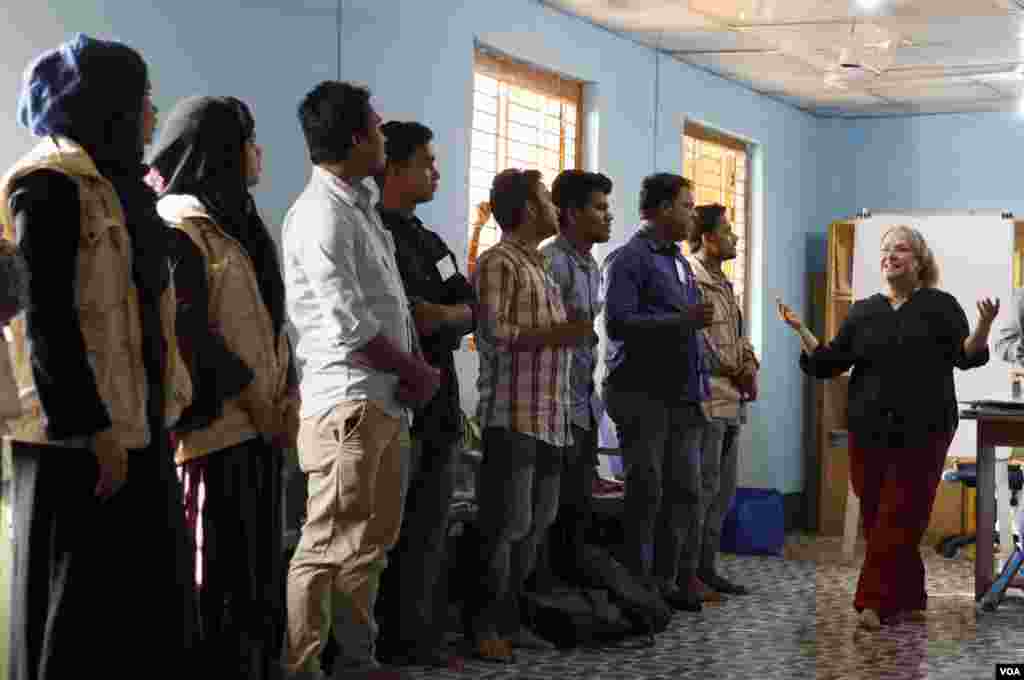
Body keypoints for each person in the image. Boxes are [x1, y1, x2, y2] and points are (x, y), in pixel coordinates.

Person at [0, 33, 198, 678]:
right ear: (104, 103)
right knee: (75, 614)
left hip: (137, 427)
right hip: (76, 440)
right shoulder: (48, 185)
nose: (151, 113)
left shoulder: (122, 187)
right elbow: (46, 322)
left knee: (143, 611)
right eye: (142, 98)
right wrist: (92, 431)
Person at [281, 81, 440, 680]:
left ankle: (355, 662)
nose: (383, 138)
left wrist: (408, 375)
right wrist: (416, 371)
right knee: (323, 546)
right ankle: (302, 668)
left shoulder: (359, 208)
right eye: (376, 130)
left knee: (368, 547)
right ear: (353, 139)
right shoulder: (320, 214)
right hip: (346, 406)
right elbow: (352, 325)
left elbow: (386, 309)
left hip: (382, 404)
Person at [147, 95, 299, 679]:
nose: (259, 152)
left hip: (262, 429)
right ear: (220, 154)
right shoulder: (180, 227)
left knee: (259, 585)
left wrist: (286, 396)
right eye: (248, 140)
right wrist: (256, 399)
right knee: (217, 588)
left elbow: (267, 322)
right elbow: (190, 338)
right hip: (214, 435)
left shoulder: (240, 224)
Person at [778, 224, 997, 629]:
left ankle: (872, 603)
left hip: (926, 429)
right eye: (885, 250)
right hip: (869, 429)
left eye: (901, 250)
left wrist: (984, 325)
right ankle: (911, 596)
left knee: (900, 513)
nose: (890, 256)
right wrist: (801, 330)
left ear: (919, 261)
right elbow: (830, 362)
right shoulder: (864, 310)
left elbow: (966, 356)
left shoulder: (941, 305)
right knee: (883, 517)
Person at [468, 169, 593, 662]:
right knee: (505, 526)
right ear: (524, 211)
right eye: (545, 199)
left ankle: (512, 622)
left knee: (535, 525)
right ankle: (484, 628)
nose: (554, 208)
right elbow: (493, 333)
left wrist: (567, 333)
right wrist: (562, 334)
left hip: (551, 417)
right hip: (512, 416)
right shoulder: (500, 261)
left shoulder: (539, 266)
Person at [372, 120, 476, 667]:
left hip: (439, 406)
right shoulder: (370, 235)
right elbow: (404, 318)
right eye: (426, 163)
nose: (436, 172)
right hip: (391, 403)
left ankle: (418, 636)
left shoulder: (431, 243)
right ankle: (381, 643)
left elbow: (467, 309)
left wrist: (445, 315)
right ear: (393, 168)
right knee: (388, 532)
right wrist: (435, 316)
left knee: (431, 528)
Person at [601, 173, 713, 612]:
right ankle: (638, 587)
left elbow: (688, 326)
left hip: (681, 393)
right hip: (640, 392)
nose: (692, 215)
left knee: (685, 489)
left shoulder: (678, 261)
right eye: (687, 206)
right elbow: (619, 323)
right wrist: (682, 320)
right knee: (647, 491)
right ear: (663, 209)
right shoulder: (628, 259)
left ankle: (668, 582)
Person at [540, 169, 612, 580]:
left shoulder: (589, 265)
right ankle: (546, 601)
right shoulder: (552, 260)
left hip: (582, 406)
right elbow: (548, 332)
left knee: (576, 512)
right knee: (549, 514)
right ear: (570, 213)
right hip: (553, 407)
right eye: (599, 208)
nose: (608, 216)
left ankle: (576, 601)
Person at [685, 204, 759, 597]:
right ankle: (690, 574)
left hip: (732, 401)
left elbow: (738, 333)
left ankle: (708, 568)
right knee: (703, 488)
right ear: (709, 238)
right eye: (728, 232)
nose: (734, 239)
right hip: (708, 398)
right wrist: (735, 369)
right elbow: (700, 342)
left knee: (723, 490)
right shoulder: (691, 279)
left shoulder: (725, 284)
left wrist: (751, 364)